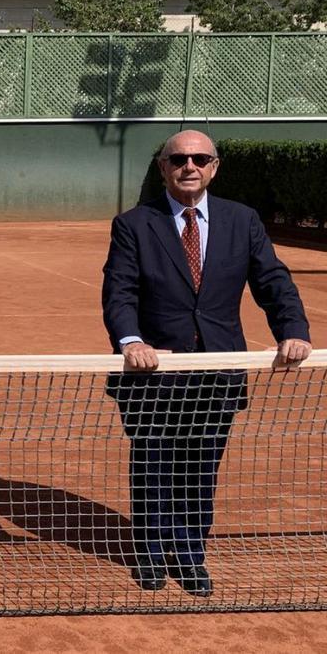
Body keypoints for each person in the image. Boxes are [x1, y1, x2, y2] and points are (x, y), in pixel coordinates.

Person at [102, 129, 311, 597]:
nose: (189, 166)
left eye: (200, 158)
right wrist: (132, 342)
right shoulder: (134, 224)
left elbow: (273, 281)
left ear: (214, 167)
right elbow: (119, 293)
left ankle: (191, 553)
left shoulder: (243, 220)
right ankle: (152, 554)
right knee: (153, 464)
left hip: (218, 372)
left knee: (201, 467)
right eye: (178, 159)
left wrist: (293, 330)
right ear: (164, 169)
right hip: (151, 375)